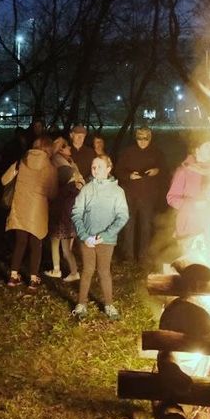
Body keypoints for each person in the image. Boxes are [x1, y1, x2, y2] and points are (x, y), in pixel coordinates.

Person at [70, 154, 129, 320]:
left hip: (106, 240)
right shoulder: (87, 189)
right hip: (87, 239)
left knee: (104, 271)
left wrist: (106, 235)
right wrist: (84, 235)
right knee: (87, 270)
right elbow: (76, 212)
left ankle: (109, 305)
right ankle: (81, 304)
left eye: (100, 167)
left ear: (109, 169)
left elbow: (122, 216)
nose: (95, 170)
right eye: (93, 167)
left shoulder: (117, 192)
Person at [1, 136, 58, 289]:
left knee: (20, 242)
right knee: (36, 244)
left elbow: (4, 180)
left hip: (20, 206)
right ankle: (33, 278)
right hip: (38, 210)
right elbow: (53, 193)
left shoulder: (21, 161)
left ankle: (13, 276)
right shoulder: (50, 167)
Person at [117, 126, 165, 263]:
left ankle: (144, 255)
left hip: (148, 195)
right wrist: (129, 175)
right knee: (128, 225)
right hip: (130, 194)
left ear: (150, 138)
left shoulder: (157, 153)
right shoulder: (128, 152)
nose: (143, 141)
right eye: (140, 138)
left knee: (146, 226)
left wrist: (157, 170)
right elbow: (118, 170)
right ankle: (129, 256)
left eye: (146, 138)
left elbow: (164, 171)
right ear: (136, 138)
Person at [165, 139, 210, 262]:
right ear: (197, 150)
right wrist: (193, 205)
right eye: (207, 147)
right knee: (194, 266)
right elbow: (171, 198)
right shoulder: (184, 171)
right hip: (190, 227)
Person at [45, 137, 83, 281]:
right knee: (60, 243)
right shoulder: (59, 162)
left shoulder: (69, 164)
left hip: (63, 213)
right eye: (67, 147)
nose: (70, 149)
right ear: (61, 149)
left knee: (61, 244)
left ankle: (66, 271)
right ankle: (63, 270)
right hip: (63, 212)